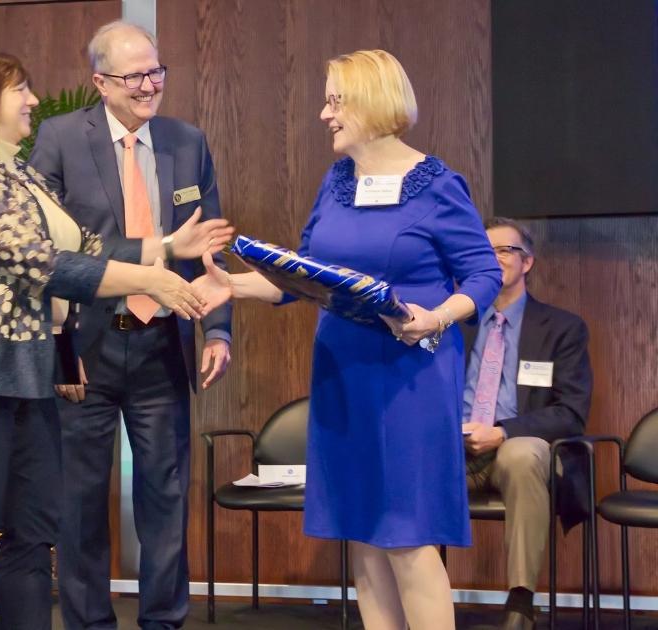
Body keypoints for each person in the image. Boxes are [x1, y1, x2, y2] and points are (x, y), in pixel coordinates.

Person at [0, 51, 232, 630]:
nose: (32, 100)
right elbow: (43, 265)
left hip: (22, 370)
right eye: (20, 90)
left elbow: (88, 249)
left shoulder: (21, 175)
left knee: (31, 530)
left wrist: (166, 251)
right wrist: (151, 280)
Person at [194, 49, 502, 630]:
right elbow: (302, 278)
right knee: (361, 532)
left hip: (411, 375)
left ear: (371, 102)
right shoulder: (337, 182)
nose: (323, 114)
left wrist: (435, 318)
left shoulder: (437, 184)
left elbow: (484, 274)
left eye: (334, 100)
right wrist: (230, 286)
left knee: (409, 538)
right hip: (343, 372)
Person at [29, 21, 233, 630]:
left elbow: (209, 249)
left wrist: (217, 329)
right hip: (85, 350)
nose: (149, 85)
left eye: (156, 71)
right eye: (134, 76)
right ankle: (90, 623)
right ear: (100, 82)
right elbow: (50, 255)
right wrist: (61, 351)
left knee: (166, 499)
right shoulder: (60, 139)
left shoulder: (187, 141)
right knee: (81, 503)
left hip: (162, 346)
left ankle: (163, 622)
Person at [462, 217, 592, 630]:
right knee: (406, 456)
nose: (494, 257)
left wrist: (500, 432)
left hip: (518, 450)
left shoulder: (562, 328)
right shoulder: (453, 324)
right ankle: (410, 595)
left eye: (505, 250)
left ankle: (520, 602)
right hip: (455, 449)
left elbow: (571, 412)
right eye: (486, 250)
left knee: (520, 453)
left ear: (528, 262)